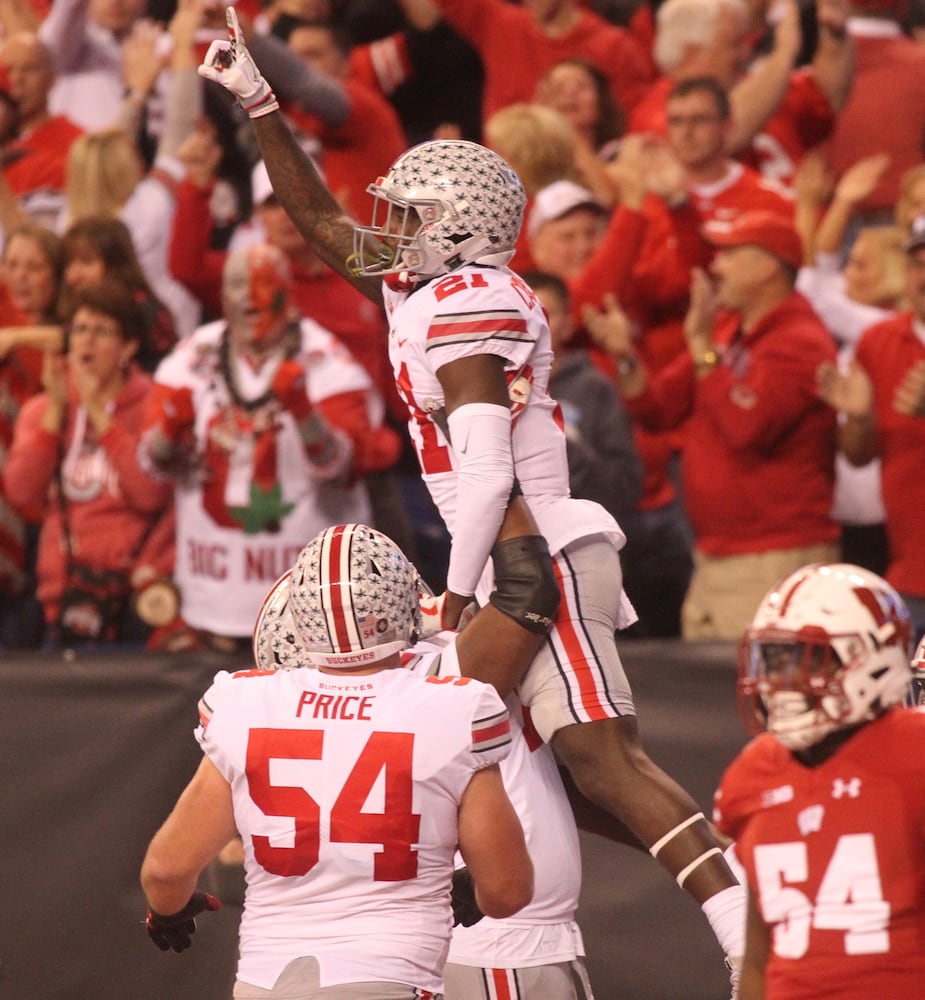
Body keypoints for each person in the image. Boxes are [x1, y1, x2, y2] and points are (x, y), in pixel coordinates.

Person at [198, 16, 748, 989]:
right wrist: (261, 107)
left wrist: (454, 594)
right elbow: (327, 227)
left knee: (596, 755)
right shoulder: (428, 291)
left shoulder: (467, 302)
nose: (386, 229)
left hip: (532, 552)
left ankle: (747, 928)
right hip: (506, 552)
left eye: (406, 214)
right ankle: (520, 892)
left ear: (452, 226)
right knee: (544, 766)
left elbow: (487, 467)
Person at [141, 513, 545, 997]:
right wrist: (469, 888)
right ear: (400, 603)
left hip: (267, 983)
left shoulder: (245, 704)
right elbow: (507, 891)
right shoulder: (454, 708)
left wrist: (166, 911)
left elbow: (165, 870)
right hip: (389, 977)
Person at [250, 513, 594, 999]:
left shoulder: (310, 713)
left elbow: (555, 788)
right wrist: (493, 480)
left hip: (438, 946)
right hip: (497, 947)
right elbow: (529, 591)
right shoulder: (433, 677)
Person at [141, 241, 401, 651]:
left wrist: (304, 413)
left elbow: (342, 469)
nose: (249, 297)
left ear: (288, 293)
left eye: (261, 285)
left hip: (310, 605)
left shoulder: (330, 364)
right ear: (223, 298)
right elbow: (154, 466)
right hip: (214, 596)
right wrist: (168, 430)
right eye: (237, 287)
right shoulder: (189, 361)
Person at [615, 209, 840, 640]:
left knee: (763, 698)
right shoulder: (726, 331)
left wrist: (702, 350)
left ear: (770, 266)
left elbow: (746, 427)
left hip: (774, 556)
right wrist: (626, 356)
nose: (716, 266)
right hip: (715, 557)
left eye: (731, 255)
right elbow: (657, 408)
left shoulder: (800, 342)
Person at [712, 561, 921, 999]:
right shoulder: (753, 775)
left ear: (872, 659)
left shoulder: (912, 752)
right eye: (774, 661)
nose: (783, 683)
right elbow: (759, 954)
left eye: (806, 661)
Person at [2, 279, 174, 646]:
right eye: (79, 329)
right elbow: (21, 491)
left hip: (135, 601)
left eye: (101, 331)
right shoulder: (44, 409)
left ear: (128, 346)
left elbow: (150, 494)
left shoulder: (152, 407)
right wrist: (55, 413)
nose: (86, 340)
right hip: (63, 596)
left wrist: (99, 415)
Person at [816, 212, 925, 643]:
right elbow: (859, 454)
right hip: (908, 578)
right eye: (919, 264)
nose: (924, 277)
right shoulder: (877, 342)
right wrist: (858, 420)